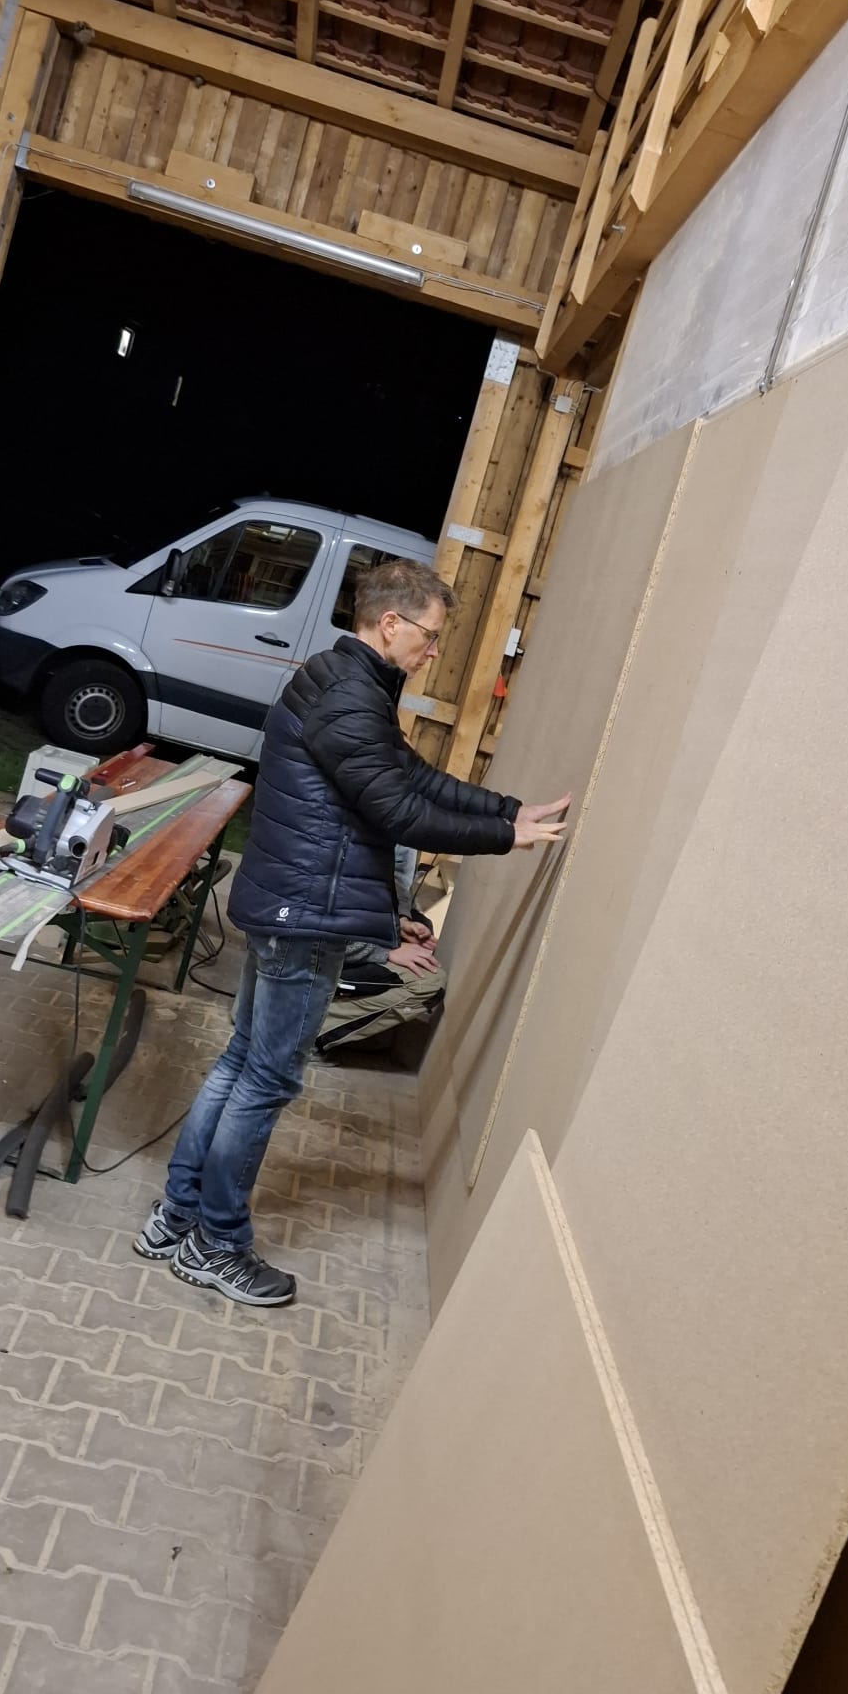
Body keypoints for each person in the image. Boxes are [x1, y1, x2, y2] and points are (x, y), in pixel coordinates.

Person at [134, 558, 568, 1307]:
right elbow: (399, 811)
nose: (434, 650)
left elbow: (412, 776)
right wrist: (505, 839)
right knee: (266, 1078)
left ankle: (175, 1218)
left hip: (290, 905)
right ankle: (215, 1243)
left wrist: (507, 810)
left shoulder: (344, 681)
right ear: (390, 623)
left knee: (242, 1062)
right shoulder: (349, 696)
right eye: (430, 635)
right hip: (306, 917)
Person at [314, 844, 446, 1062]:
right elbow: (313, 932)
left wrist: (401, 921)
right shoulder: (329, 844)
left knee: (423, 933)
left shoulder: (382, 835)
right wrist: (383, 951)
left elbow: (396, 878)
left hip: (347, 932)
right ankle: (303, 1036)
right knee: (427, 982)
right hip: (306, 952)